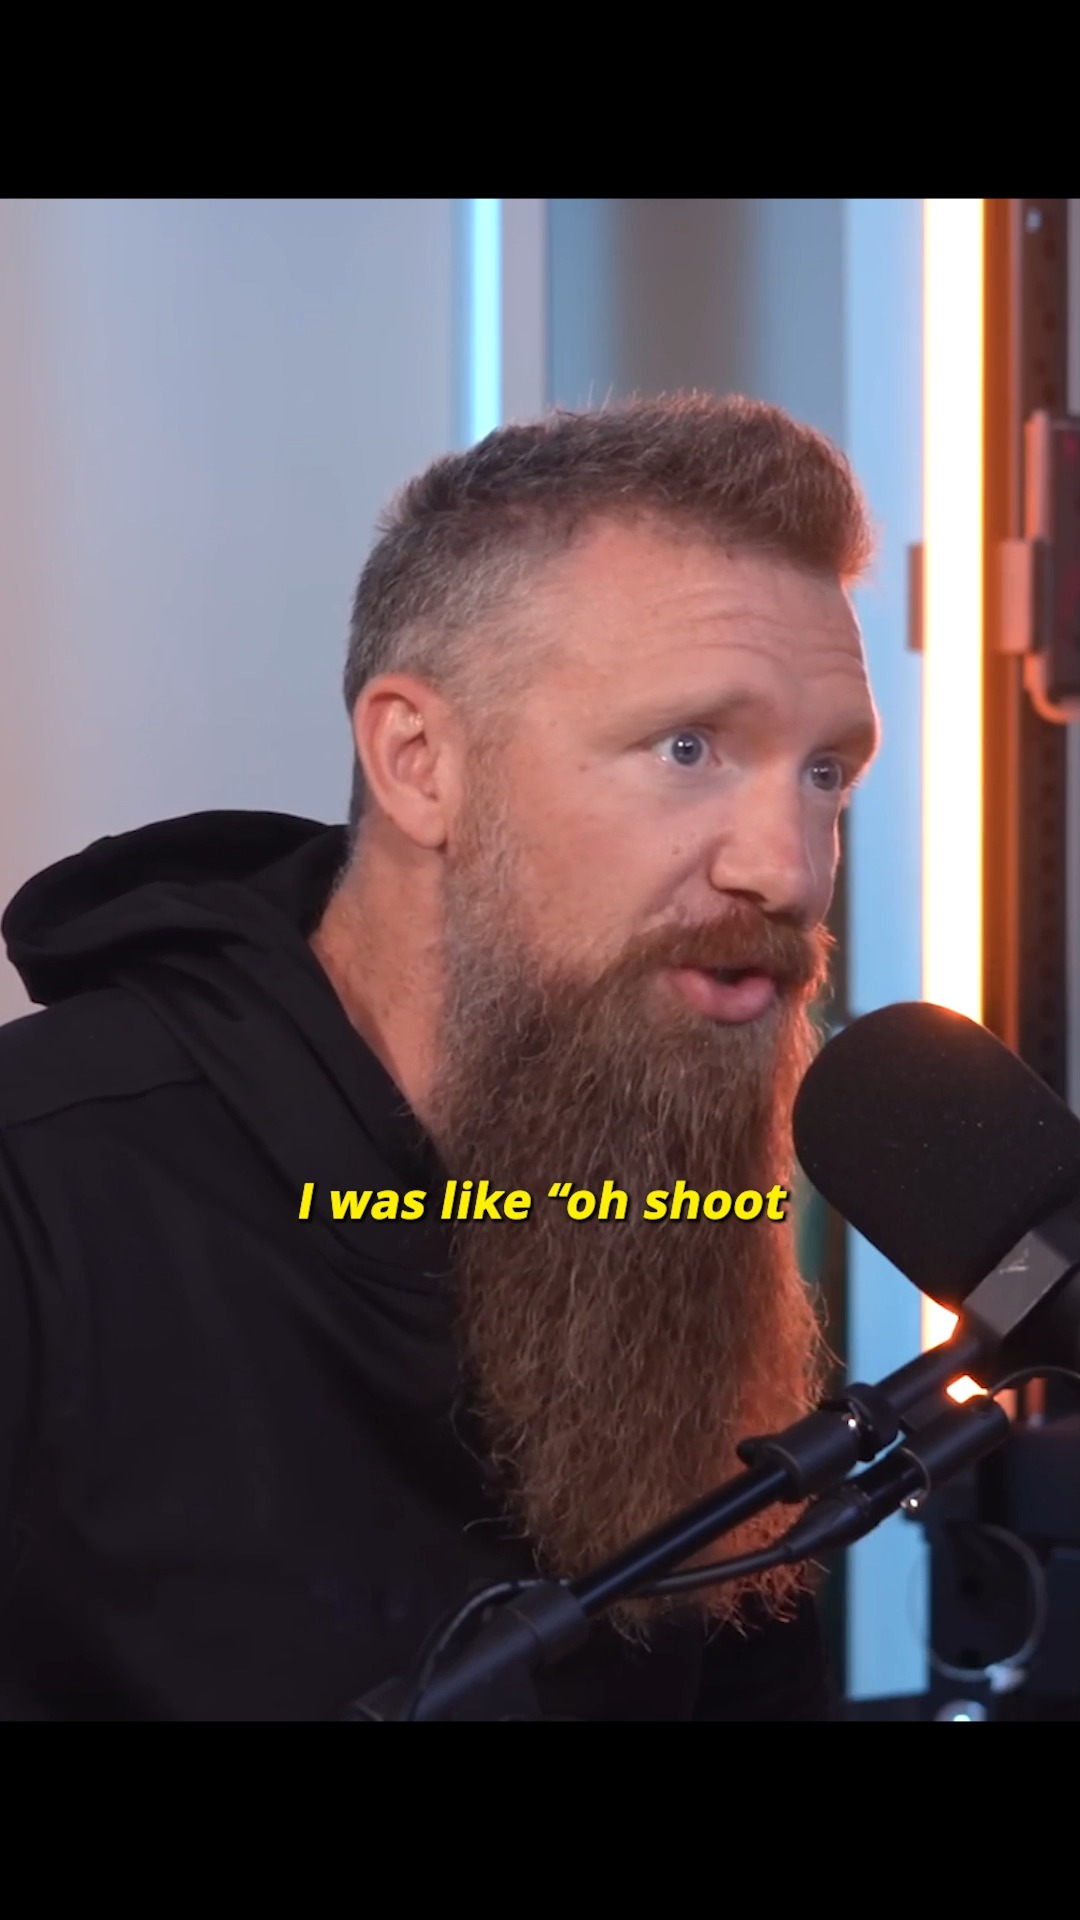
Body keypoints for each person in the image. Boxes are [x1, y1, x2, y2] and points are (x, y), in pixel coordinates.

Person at [0, 394, 880, 1721]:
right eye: (689, 748)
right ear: (419, 764)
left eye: (826, 776)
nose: (791, 869)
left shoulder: (672, 1192)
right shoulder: (41, 1191)